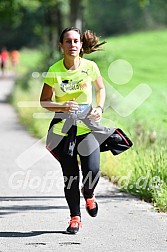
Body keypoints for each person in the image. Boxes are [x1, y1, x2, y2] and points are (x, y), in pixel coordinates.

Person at [40, 27, 106, 234]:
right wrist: (62, 106)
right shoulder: (54, 70)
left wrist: (99, 108)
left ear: (80, 45)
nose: (73, 45)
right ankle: (75, 218)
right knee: (70, 175)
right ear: (61, 45)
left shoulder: (90, 66)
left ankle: (89, 193)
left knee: (92, 171)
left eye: (76, 41)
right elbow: (44, 101)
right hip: (63, 131)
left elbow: (100, 89)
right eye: (68, 41)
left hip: (87, 128)